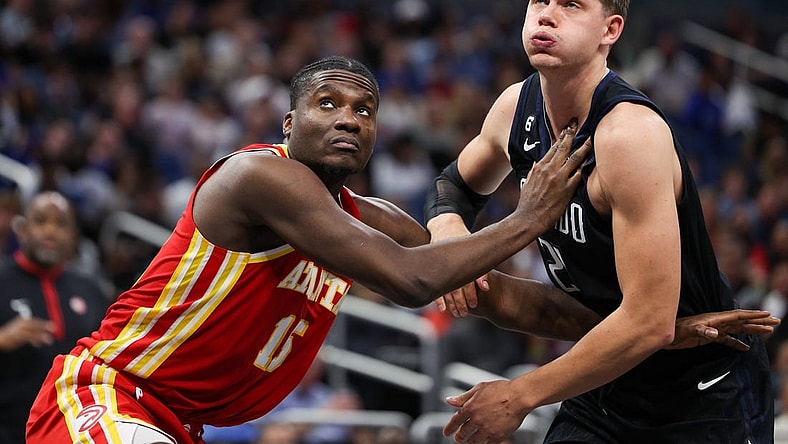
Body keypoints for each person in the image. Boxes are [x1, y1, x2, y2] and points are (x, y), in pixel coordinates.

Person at [25, 56, 775, 444]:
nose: (349, 118)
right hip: (110, 394)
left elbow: (513, 300)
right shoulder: (259, 176)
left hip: (177, 422)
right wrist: (528, 215)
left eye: (365, 109)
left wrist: (654, 329)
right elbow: (415, 282)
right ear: (288, 122)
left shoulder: (364, 218)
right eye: (328, 104)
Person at [423, 1, 777, 443]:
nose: (546, 15)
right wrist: (450, 233)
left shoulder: (629, 135)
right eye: (540, 1)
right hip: (607, 368)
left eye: (571, 4)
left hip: (701, 385)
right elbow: (451, 187)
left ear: (610, 30)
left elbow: (649, 321)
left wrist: (519, 396)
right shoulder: (515, 106)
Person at [0, 191, 109, 444]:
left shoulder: (91, 290)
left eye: (61, 224)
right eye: (40, 221)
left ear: (72, 237)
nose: (50, 231)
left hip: (70, 431)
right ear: (23, 230)